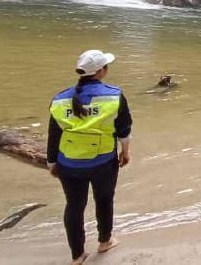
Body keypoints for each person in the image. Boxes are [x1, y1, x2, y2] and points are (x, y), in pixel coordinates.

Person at [47, 50, 132, 265]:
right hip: (103, 161)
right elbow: (123, 129)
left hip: (69, 163)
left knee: (74, 206)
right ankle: (105, 241)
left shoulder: (59, 100)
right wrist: (125, 152)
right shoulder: (114, 95)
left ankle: (77, 255)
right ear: (102, 71)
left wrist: (52, 162)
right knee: (104, 200)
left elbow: (54, 134)